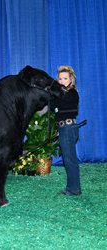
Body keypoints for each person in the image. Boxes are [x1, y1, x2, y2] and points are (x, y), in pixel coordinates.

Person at [50, 66, 81, 196]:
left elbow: (55, 105)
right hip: (64, 128)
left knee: (70, 160)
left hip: (68, 128)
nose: (62, 81)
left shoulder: (72, 93)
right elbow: (52, 107)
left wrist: (56, 105)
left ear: (71, 80)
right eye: (60, 78)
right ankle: (72, 188)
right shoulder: (62, 94)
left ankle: (74, 190)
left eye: (65, 78)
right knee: (68, 160)